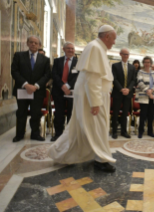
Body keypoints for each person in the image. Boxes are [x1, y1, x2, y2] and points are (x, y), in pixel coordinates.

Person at [48, 25, 117, 172]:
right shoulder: (95, 48)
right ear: (106, 37)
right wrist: (95, 103)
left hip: (93, 96)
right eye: (114, 39)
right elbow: (92, 79)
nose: (114, 42)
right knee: (97, 128)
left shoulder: (97, 47)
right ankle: (101, 160)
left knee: (82, 127)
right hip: (92, 97)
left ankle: (63, 153)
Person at [11, 35, 51, 142]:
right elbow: (14, 71)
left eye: (36, 43)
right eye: (31, 42)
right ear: (27, 43)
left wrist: (36, 86)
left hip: (37, 91)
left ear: (39, 45)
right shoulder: (19, 56)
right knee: (21, 112)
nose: (33, 44)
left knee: (35, 113)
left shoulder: (45, 60)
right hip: (22, 89)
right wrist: (26, 84)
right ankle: (19, 134)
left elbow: (47, 75)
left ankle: (35, 134)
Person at [51, 42, 79, 141]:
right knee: (59, 113)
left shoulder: (78, 62)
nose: (71, 50)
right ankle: (58, 134)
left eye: (72, 48)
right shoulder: (57, 61)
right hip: (58, 91)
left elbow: (77, 76)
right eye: (68, 48)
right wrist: (62, 86)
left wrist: (67, 86)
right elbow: (54, 75)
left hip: (72, 92)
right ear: (64, 49)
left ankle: (69, 135)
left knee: (71, 114)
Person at [111, 48, 136, 139]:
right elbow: (114, 79)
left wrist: (128, 89)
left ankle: (124, 131)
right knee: (115, 112)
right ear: (120, 54)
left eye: (127, 54)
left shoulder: (132, 67)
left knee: (125, 113)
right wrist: (121, 89)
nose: (126, 56)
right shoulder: (115, 66)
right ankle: (114, 132)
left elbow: (133, 80)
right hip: (118, 92)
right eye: (124, 54)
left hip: (128, 94)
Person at [136, 56, 154, 138]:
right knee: (143, 114)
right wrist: (147, 91)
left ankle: (150, 131)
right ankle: (140, 132)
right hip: (144, 96)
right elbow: (140, 82)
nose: (147, 64)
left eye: (148, 62)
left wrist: (152, 90)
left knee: (151, 115)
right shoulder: (140, 72)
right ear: (143, 63)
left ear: (150, 63)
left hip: (153, 96)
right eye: (145, 62)